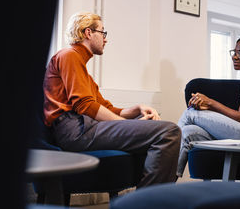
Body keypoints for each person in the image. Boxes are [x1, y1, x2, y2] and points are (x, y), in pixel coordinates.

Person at [43, 12, 181, 187]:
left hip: (85, 125)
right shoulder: (69, 55)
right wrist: (127, 124)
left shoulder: (84, 73)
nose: (105, 39)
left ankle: (151, 197)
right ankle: (147, 202)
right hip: (75, 130)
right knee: (169, 132)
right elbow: (85, 105)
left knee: (153, 125)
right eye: (103, 32)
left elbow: (106, 107)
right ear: (88, 33)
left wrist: (137, 109)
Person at [176, 34, 240, 177]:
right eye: (234, 52)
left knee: (191, 113)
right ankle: (168, 181)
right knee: (189, 131)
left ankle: (161, 169)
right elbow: (238, 119)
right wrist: (209, 108)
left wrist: (211, 102)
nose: (235, 56)